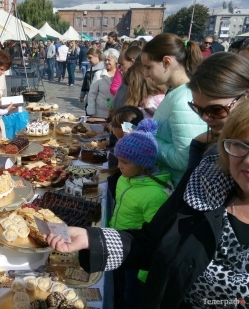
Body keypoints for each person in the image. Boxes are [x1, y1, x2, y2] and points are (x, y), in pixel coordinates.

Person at [45, 99, 249, 308]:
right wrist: (92, 238)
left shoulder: (161, 192)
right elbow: (155, 242)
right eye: (241, 145)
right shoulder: (207, 185)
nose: (248, 159)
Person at [110, 118, 172, 309]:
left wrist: (145, 273)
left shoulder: (155, 195)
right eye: (118, 160)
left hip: (137, 260)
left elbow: (156, 238)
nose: (119, 166)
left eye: (124, 162)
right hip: (119, 245)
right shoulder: (126, 178)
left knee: (132, 296)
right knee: (118, 285)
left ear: (143, 164)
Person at [141, 33, 206, 187]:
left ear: (166, 62)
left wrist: (147, 140)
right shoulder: (176, 92)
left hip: (175, 187)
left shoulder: (184, 100)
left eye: (148, 67)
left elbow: (183, 159)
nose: (146, 74)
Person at [187, 52, 249, 169]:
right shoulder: (211, 144)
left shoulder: (220, 153)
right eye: (198, 109)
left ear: (246, 97)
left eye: (216, 109)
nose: (205, 117)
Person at [86, 48, 119, 117]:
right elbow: (92, 94)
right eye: (105, 60)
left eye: (109, 60)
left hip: (116, 112)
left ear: (116, 60)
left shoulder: (121, 75)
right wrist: (91, 111)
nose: (106, 62)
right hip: (100, 112)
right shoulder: (99, 74)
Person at [113, 46, 143, 111]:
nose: (120, 68)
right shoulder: (124, 84)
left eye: (122, 64)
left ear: (132, 62)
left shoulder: (141, 86)